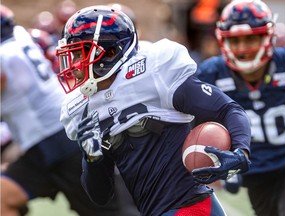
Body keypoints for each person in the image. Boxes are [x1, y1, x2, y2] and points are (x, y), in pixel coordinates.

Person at [55, 5, 252, 216]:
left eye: (80, 54)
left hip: (191, 205)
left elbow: (227, 108)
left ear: (111, 52)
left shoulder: (155, 72)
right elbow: (101, 196)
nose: (74, 65)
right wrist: (92, 160)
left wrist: (241, 151)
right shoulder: (82, 108)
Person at [0, 4, 139, 216]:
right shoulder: (20, 36)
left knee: (112, 212)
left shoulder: (4, 55)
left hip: (61, 140)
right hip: (45, 141)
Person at [196, 1, 285, 216]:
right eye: (235, 40)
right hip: (254, 172)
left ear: (267, 37)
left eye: (251, 38)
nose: (243, 47)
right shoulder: (210, 74)